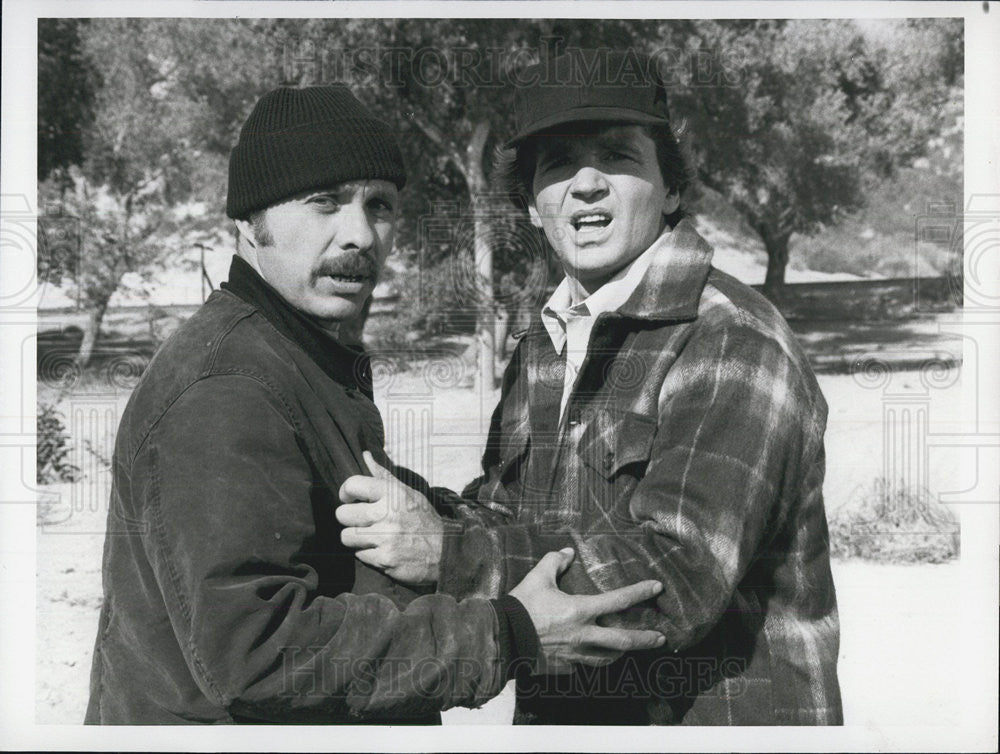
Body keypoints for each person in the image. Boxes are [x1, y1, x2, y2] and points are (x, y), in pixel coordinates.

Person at [83, 84, 668, 725]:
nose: (360, 234)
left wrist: (441, 534)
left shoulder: (299, 355)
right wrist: (508, 633)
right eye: (325, 202)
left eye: (379, 205)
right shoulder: (227, 390)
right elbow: (258, 653)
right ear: (251, 223)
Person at [338, 50, 843, 725]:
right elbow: (506, 515)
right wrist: (409, 503)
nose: (585, 184)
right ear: (530, 205)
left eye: (617, 155)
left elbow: (679, 576)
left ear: (670, 190)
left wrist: (447, 554)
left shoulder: (731, 340)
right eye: (556, 164)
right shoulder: (548, 341)